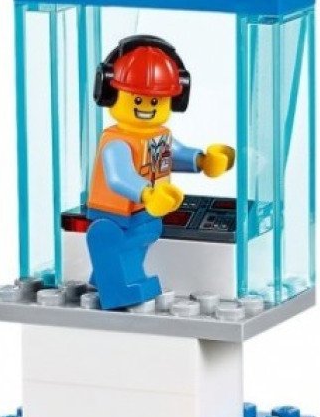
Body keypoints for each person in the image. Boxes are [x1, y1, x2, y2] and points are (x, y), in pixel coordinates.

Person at [83, 34, 235, 309]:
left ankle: (104, 277)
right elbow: (118, 177)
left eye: (155, 101)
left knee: (138, 243)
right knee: (117, 242)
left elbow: (174, 155)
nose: (146, 107)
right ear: (110, 93)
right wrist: (147, 193)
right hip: (117, 212)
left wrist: (202, 161)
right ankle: (119, 288)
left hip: (147, 210)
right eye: (137, 99)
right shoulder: (117, 141)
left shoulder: (158, 135)